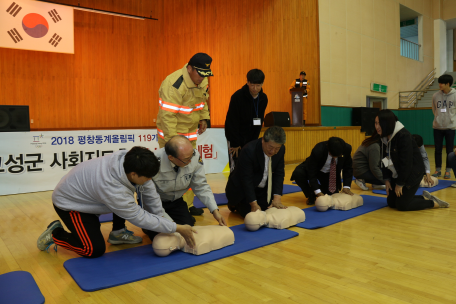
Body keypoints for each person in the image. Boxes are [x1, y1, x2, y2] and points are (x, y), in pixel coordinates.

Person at [36, 147, 196, 258]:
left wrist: (168, 222)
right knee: (92, 249)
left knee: (128, 198)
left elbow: (151, 197)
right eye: (147, 177)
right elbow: (138, 216)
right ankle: (55, 234)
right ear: (133, 174)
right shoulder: (111, 187)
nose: (149, 181)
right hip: (71, 204)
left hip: (93, 197)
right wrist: (176, 227)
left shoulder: (132, 161)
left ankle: (117, 232)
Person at [156, 53, 214, 216]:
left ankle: (187, 205)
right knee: (170, 172)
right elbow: (168, 117)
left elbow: (203, 100)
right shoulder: (173, 84)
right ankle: (165, 207)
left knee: (190, 169)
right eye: (200, 74)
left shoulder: (202, 79)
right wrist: (173, 144)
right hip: (171, 136)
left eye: (205, 75)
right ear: (189, 68)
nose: (202, 79)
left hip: (190, 135)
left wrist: (203, 117)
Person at [140, 136, 227, 240]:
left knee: (189, 229)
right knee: (164, 237)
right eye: (186, 160)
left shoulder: (193, 156)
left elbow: (201, 186)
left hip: (176, 201)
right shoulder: (153, 162)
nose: (191, 161)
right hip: (154, 204)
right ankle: (147, 226)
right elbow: (151, 200)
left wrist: (215, 210)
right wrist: (173, 226)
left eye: (192, 156)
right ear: (171, 157)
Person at [376, 110, 449, 210]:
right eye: (375, 123)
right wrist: (387, 179)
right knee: (391, 202)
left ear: (386, 123)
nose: (376, 127)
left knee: (402, 205)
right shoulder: (383, 137)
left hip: (412, 173)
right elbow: (384, 158)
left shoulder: (403, 136)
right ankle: (423, 197)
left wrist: (400, 183)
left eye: (378, 123)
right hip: (398, 172)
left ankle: (434, 203)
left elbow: (406, 163)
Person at [226, 126, 287, 218]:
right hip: (241, 187)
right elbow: (246, 179)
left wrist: (277, 198)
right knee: (250, 214)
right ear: (263, 140)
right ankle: (234, 204)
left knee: (268, 209)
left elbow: (279, 173)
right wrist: (253, 203)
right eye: (270, 147)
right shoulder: (249, 150)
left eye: (277, 148)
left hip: (262, 187)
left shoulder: (281, 150)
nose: (273, 151)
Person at [225, 69, 268, 172]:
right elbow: (232, 121)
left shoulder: (263, 98)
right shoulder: (237, 97)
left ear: (262, 84)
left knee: (249, 166)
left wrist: (254, 142)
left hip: (251, 139)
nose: (255, 88)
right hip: (236, 138)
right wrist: (235, 143)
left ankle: (247, 188)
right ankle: (234, 188)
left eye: (258, 85)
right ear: (248, 82)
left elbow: (260, 120)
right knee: (236, 168)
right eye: (252, 85)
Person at [291, 137, 354, 205]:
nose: (335, 158)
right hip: (313, 168)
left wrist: (346, 187)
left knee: (331, 195)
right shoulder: (318, 150)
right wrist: (318, 192)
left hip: (329, 173)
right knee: (298, 173)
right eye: (332, 155)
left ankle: (316, 189)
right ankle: (311, 195)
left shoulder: (347, 149)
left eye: (337, 156)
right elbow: (311, 172)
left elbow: (348, 168)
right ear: (328, 148)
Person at [431, 74, 456, 179]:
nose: (439, 85)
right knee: (437, 149)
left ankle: (448, 171)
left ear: (448, 84)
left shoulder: (455, 95)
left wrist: (451, 119)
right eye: (439, 83)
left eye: (442, 83)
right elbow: (434, 109)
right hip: (437, 127)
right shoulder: (435, 96)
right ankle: (437, 169)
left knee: (450, 151)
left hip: (450, 127)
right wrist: (438, 119)